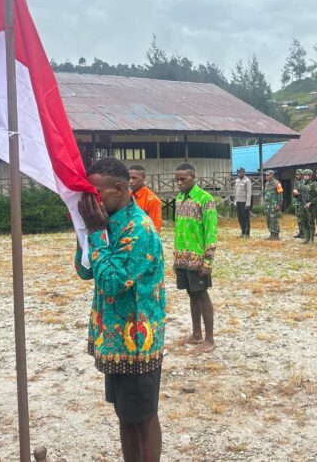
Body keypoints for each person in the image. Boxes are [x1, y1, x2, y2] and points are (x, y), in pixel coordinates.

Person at [75, 157, 166, 462]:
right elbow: (86, 271)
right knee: (125, 415)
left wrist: (97, 233)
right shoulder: (109, 222)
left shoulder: (138, 229)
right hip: (115, 337)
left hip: (137, 343)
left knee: (143, 416)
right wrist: (84, 232)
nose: (91, 200)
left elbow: (112, 282)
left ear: (119, 189)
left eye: (96, 193)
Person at [173, 163, 218, 353]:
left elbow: (211, 231)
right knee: (191, 295)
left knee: (202, 295)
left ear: (193, 177)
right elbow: (178, 229)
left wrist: (208, 260)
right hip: (182, 258)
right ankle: (196, 333)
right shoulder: (179, 198)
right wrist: (175, 258)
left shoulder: (205, 199)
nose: (180, 183)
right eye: (177, 180)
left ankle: (209, 339)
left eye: (183, 179)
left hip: (198, 259)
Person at [129, 165, 163, 233]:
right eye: (129, 178)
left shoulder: (152, 200)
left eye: (134, 178)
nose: (130, 181)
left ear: (144, 178)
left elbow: (155, 228)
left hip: (144, 239)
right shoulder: (128, 196)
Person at [297, 169, 317, 244]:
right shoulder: (301, 185)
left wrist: (310, 202)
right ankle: (306, 238)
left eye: (307, 175)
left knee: (311, 222)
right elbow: (298, 196)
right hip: (302, 206)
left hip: (311, 207)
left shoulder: (313, 185)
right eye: (304, 175)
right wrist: (295, 194)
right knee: (304, 221)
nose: (305, 177)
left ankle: (311, 239)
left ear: (310, 176)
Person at [263, 169, 283, 240]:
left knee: (274, 220)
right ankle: (271, 234)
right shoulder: (266, 183)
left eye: (268, 175)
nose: (266, 176)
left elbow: (280, 194)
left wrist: (279, 204)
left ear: (272, 175)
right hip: (267, 205)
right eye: (266, 175)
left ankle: (276, 235)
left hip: (274, 205)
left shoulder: (277, 183)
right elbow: (265, 194)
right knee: (268, 220)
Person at [234, 167, 252, 238]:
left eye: (240, 172)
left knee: (246, 218)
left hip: (244, 202)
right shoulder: (237, 180)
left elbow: (249, 193)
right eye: (238, 172)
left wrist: (248, 204)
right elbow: (236, 192)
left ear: (244, 172)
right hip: (238, 202)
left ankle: (247, 234)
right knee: (240, 218)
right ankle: (242, 232)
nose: (239, 173)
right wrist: (235, 202)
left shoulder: (247, 181)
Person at [292, 169, 305, 238]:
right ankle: (301, 232)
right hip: (296, 202)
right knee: (298, 218)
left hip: (302, 202)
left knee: (303, 218)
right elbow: (294, 191)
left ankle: (305, 233)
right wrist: (294, 191)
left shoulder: (304, 182)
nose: (297, 176)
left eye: (299, 174)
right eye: (296, 174)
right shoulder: (296, 182)